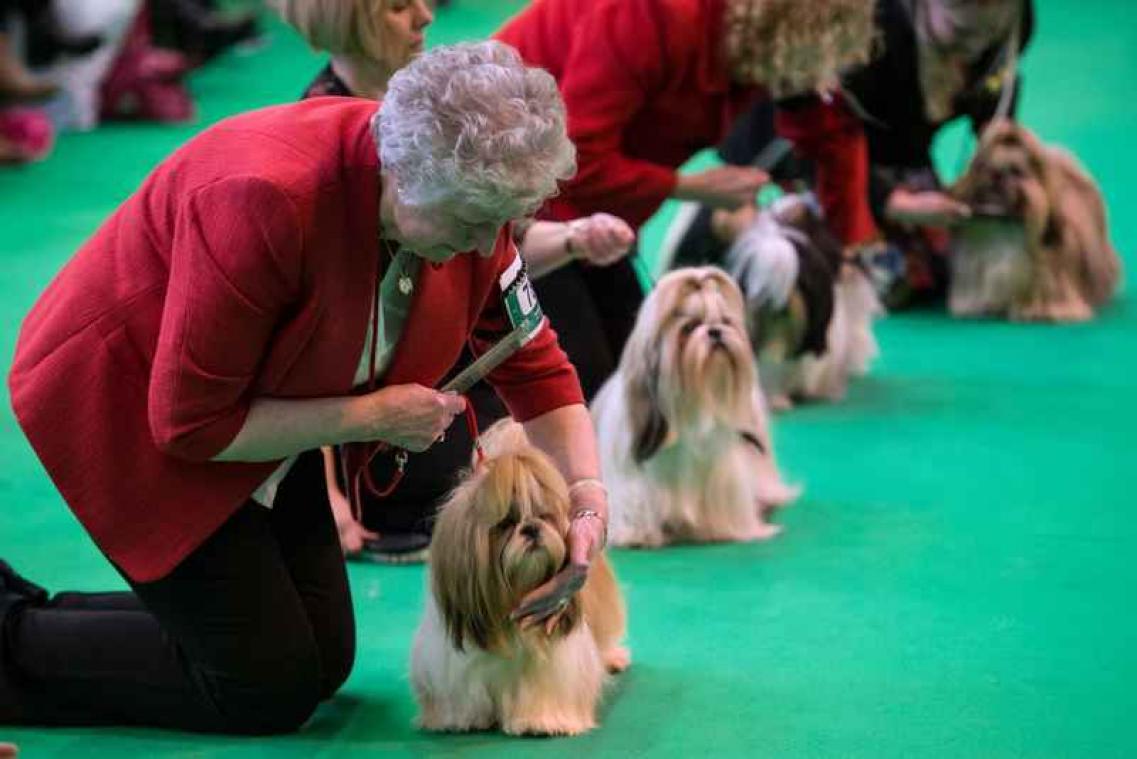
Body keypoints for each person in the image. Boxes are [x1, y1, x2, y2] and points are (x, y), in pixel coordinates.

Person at [0, 41, 609, 733]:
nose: (482, 247)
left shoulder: (471, 199)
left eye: (496, 226)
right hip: (128, 403)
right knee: (265, 689)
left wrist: (586, 498)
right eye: (471, 225)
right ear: (402, 178)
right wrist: (369, 414)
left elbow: (534, 363)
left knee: (323, 659)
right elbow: (190, 424)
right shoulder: (265, 199)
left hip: (278, 402)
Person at [274, 0, 633, 560]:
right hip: (355, 390)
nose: (424, 16)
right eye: (398, 6)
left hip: (436, 336)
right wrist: (327, 497)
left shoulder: (452, 109)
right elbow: (303, 361)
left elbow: (497, 254)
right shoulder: (315, 157)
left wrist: (572, 238)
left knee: (581, 363)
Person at [494, 0, 881, 398]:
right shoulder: (645, 15)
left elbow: (830, 133)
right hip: (514, 184)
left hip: (597, 207)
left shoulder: (770, 42)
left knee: (648, 373)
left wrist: (848, 245)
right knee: (585, 381)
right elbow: (574, 159)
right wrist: (690, 187)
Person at [670, 0, 1034, 308]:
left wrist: (996, 148)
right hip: (787, 146)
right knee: (880, 280)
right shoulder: (873, 35)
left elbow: (999, 87)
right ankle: (722, 223)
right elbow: (821, 137)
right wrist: (895, 202)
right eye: (961, 33)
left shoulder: (1013, 23)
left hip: (898, 156)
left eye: (988, 35)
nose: (974, 48)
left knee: (939, 271)